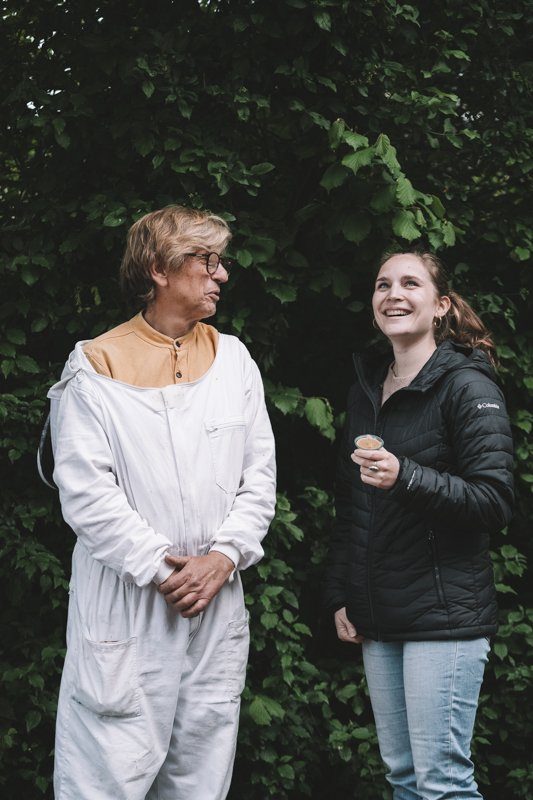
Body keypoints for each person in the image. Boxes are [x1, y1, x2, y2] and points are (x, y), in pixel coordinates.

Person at [48, 205, 276, 800]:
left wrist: (224, 556)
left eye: (219, 261)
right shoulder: (95, 366)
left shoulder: (234, 361)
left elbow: (260, 477)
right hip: (127, 603)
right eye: (206, 261)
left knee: (201, 778)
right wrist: (162, 567)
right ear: (158, 269)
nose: (221, 274)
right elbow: (86, 493)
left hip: (215, 600)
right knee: (105, 777)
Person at [323, 249, 514, 800]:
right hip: (379, 618)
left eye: (411, 283)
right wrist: (342, 594)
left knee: (442, 783)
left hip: (444, 618)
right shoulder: (366, 390)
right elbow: (351, 508)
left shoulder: (467, 386)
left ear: (441, 306)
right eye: (383, 285)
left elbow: (494, 501)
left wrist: (407, 476)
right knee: (404, 780)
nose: (394, 294)